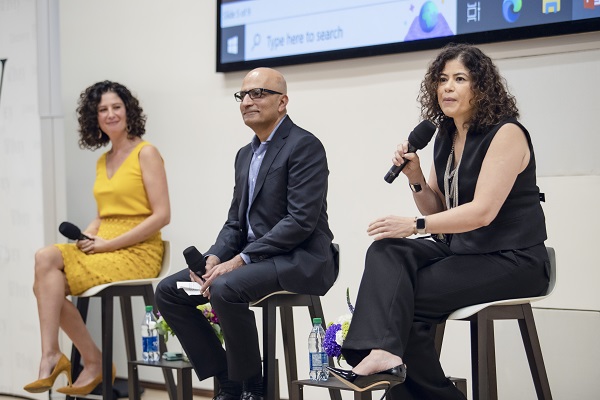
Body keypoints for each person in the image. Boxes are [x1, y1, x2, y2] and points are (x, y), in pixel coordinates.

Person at [327, 43, 549, 400]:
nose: (447, 87)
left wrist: (413, 225)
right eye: (442, 79)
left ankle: (391, 366)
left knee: (404, 300)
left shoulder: (506, 133)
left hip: (514, 259)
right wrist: (415, 177)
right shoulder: (445, 136)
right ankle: (386, 356)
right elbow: (437, 210)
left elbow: (482, 212)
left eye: (459, 78)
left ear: (481, 87)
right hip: (464, 251)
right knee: (387, 250)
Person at [155, 67, 337, 400]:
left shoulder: (304, 146)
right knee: (169, 290)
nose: (247, 101)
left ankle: (253, 385)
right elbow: (235, 224)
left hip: (299, 258)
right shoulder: (245, 155)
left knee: (225, 287)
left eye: (258, 93)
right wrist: (215, 256)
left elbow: (300, 221)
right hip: (253, 260)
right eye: (242, 95)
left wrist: (241, 259)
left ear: (282, 102)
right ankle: (228, 378)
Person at [24, 81, 171, 395]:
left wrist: (108, 244)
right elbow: (105, 214)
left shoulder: (147, 153)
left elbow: (161, 215)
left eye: (116, 106)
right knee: (44, 267)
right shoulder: (103, 160)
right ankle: (68, 356)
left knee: (45, 279)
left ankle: (80, 360)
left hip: (139, 250)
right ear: (95, 118)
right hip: (105, 245)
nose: (110, 114)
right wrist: (90, 234)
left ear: (128, 110)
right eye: (102, 109)